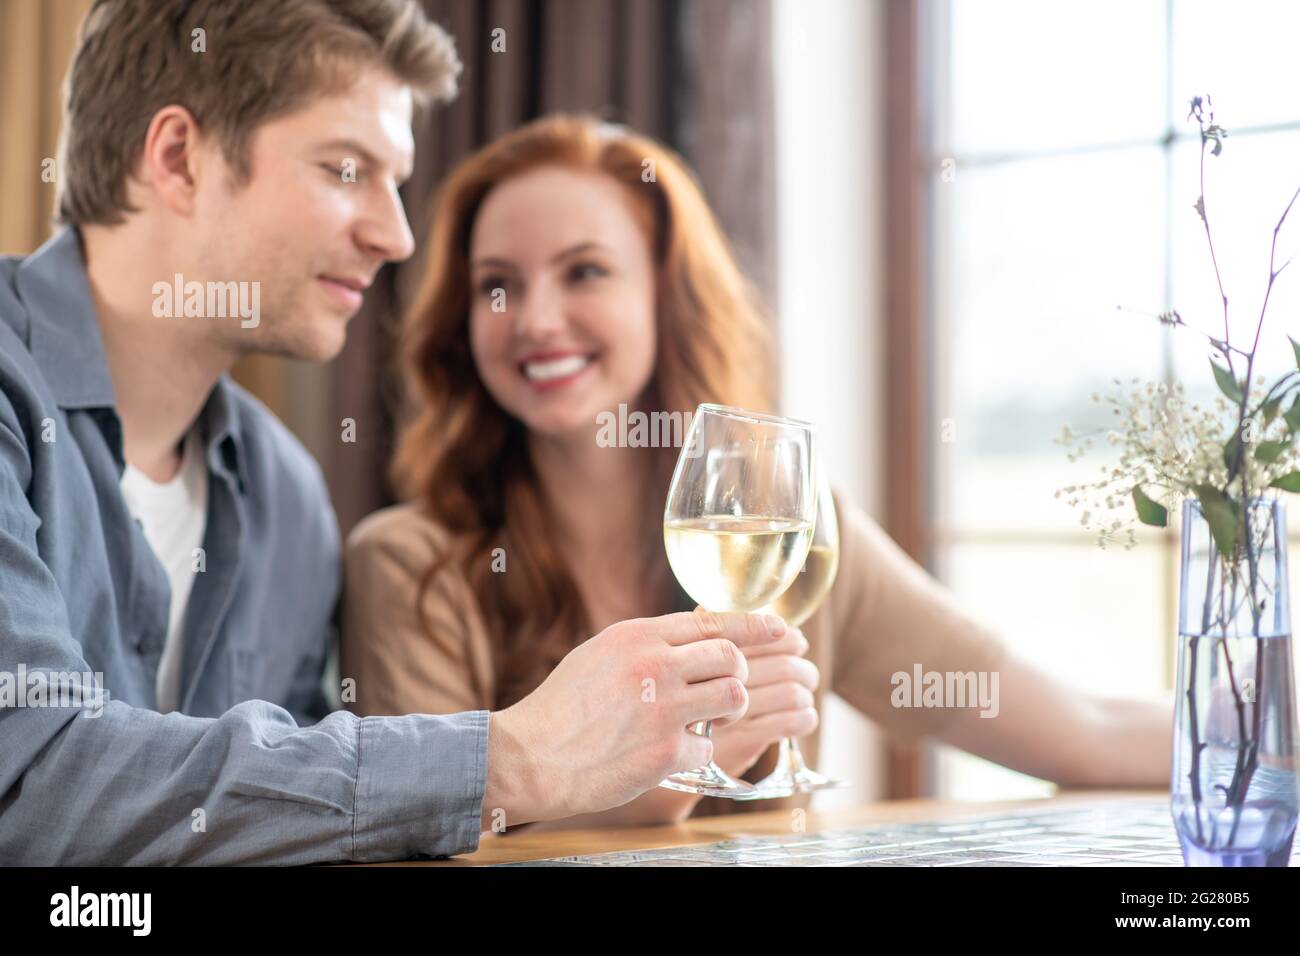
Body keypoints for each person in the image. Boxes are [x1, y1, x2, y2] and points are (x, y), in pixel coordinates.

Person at [0, 0, 784, 865]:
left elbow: (275, 835)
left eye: (397, 182)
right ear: (179, 158)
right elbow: (28, 779)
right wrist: (519, 756)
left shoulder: (284, 495)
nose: (398, 235)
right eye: (345, 169)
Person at [341, 114, 1173, 831]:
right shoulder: (412, 563)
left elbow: (1085, 730)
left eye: (585, 271)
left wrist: (1262, 732)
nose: (536, 319)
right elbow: (429, 831)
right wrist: (683, 764)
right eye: (497, 287)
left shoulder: (796, 532)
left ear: (668, 298)